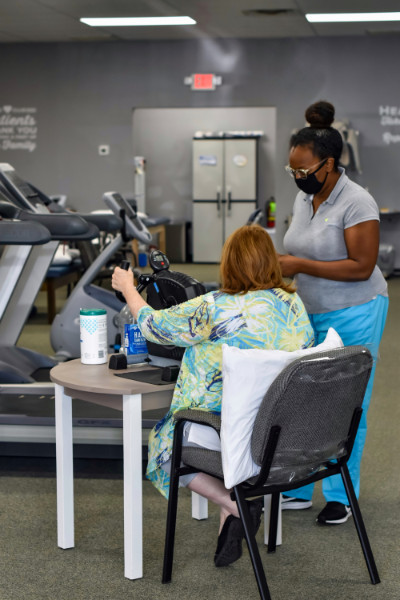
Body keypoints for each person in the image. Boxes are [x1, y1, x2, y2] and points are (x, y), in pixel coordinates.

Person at [112, 224, 314, 566]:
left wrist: (129, 289)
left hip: (223, 425)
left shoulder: (216, 307)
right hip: (275, 428)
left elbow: (155, 326)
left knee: (161, 447)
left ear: (229, 264)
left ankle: (235, 502)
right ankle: (234, 510)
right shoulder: (292, 304)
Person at [279, 100, 389, 526]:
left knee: (345, 404)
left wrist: (300, 265)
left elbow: (362, 266)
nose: (298, 178)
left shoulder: (357, 202)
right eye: (293, 172)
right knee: (302, 399)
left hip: (356, 309)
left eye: (303, 171)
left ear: (329, 165)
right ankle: (301, 488)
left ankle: (343, 495)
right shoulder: (305, 196)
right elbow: (300, 247)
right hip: (310, 311)